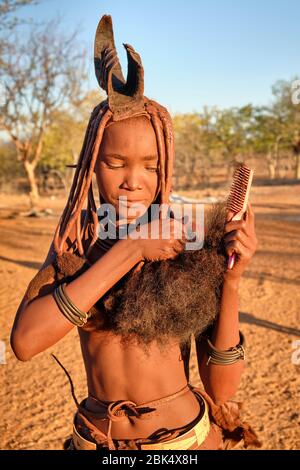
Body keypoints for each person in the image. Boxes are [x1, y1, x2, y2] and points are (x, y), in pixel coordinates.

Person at [10, 15, 261, 451]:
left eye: (151, 166)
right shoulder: (77, 247)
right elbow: (25, 343)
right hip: (96, 443)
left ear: (165, 168)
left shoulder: (187, 244)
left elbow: (220, 389)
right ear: (92, 164)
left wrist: (233, 281)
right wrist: (129, 251)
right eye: (115, 163)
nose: (134, 181)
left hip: (182, 444)